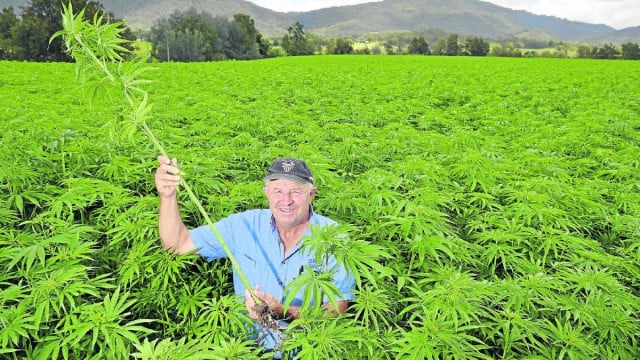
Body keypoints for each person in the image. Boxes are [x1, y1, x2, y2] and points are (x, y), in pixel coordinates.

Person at [154, 155, 355, 355]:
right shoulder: (243, 226)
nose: (286, 200)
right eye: (277, 191)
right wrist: (168, 195)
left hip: (309, 351)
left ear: (312, 194)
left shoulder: (333, 237)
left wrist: (282, 311)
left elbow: (336, 309)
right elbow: (177, 245)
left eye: (296, 191)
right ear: (266, 192)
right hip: (248, 351)